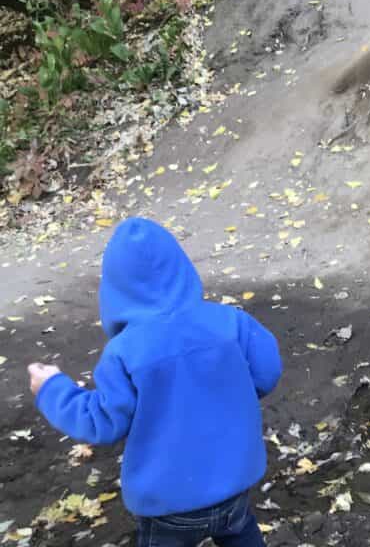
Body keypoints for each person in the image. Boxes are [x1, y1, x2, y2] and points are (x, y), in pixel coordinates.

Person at [28, 216, 282, 547]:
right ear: (182, 269)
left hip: (169, 505)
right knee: (239, 533)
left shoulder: (123, 353)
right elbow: (267, 370)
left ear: (115, 291)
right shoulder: (229, 322)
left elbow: (102, 422)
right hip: (235, 485)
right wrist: (234, 393)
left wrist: (52, 390)